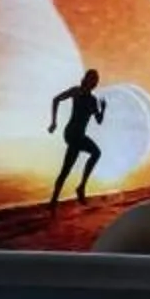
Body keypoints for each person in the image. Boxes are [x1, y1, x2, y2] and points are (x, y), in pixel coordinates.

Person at [48, 68, 105, 206]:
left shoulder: (93, 100)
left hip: (80, 136)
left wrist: (103, 109)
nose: (94, 82)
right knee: (67, 168)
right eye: (92, 79)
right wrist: (54, 122)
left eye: (96, 80)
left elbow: (98, 121)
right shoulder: (76, 91)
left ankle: (79, 188)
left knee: (96, 153)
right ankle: (55, 199)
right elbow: (56, 99)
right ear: (86, 79)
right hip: (71, 134)